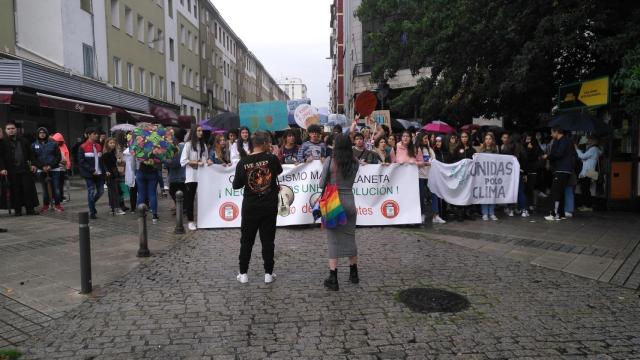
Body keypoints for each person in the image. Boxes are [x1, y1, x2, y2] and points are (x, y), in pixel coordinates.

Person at [232, 131, 283, 284]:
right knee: (268, 240)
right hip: (268, 205)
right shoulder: (272, 159)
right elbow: (278, 172)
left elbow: (236, 185)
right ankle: (268, 273)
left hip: (250, 206)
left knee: (246, 240)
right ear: (264, 143)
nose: (270, 144)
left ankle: (243, 273)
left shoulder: (243, 162)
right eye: (268, 142)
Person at [320, 133, 360, 291]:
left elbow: (322, 182)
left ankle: (333, 277)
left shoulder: (330, 161)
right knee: (350, 237)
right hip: (350, 201)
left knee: (333, 240)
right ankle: (354, 274)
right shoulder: (355, 162)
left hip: (333, 203)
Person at [0, 122, 39, 216]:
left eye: (12, 128)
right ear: (5, 131)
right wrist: (2, 168)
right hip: (11, 171)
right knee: (15, 191)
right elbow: (0, 157)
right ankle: (17, 210)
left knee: (28, 190)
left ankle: (30, 209)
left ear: (16, 129)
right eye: (8, 129)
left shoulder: (24, 141)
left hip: (24, 169)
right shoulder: (2, 143)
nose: (11, 130)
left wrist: (33, 165)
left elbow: (31, 154)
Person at [543, 127, 574, 221]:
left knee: (555, 192)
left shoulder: (563, 141)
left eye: (552, 133)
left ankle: (553, 214)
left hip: (561, 169)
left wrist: (547, 156)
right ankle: (561, 214)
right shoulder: (567, 141)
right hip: (565, 169)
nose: (551, 135)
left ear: (556, 132)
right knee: (561, 192)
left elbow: (558, 154)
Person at [180, 125, 208, 230]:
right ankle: (190, 221)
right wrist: (195, 162)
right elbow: (183, 161)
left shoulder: (203, 145)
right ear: (194, 132)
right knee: (190, 199)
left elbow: (206, 158)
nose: (201, 132)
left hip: (202, 176)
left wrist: (207, 161)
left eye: (201, 131)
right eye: (199, 130)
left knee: (203, 199)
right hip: (191, 176)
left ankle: (203, 220)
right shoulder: (188, 145)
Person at [32, 127, 63, 213]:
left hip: (54, 169)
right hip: (41, 170)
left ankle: (57, 204)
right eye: (40, 133)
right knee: (44, 189)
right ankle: (46, 205)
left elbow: (58, 157)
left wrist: (51, 166)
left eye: (44, 132)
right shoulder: (34, 145)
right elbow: (33, 158)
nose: (42, 134)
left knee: (56, 188)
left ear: (47, 133)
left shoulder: (53, 144)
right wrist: (42, 167)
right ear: (38, 134)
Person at [78, 128, 106, 220]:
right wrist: (91, 170)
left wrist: (104, 171)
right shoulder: (82, 147)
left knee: (101, 191)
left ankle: (91, 204)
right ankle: (92, 212)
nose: (96, 135)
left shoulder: (98, 146)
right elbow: (81, 162)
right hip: (89, 174)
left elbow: (101, 160)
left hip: (99, 173)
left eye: (97, 134)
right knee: (91, 191)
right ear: (89, 135)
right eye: (94, 134)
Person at [415, 133, 436, 223]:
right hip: (420, 176)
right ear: (420, 139)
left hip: (430, 175)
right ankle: (422, 214)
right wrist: (424, 163)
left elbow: (434, 159)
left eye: (427, 138)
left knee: (434, 194)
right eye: (425, 138)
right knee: (421, 195)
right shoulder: (416, 149)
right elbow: (414, 161)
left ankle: (436, 215)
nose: (426, 140)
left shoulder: (430, 149)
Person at [576, 136, 601, 212]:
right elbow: (585, 159)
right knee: (585, 189)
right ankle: (585, 205)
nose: (588, 140)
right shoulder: (593, 149)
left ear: (593, 141)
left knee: (585, 189)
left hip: (588, 171)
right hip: (589, 171)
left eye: (590, 139)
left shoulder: (593, 149)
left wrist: (576, 149)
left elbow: (582, 156)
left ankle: (588, 206)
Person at [102, 137, 126, 215]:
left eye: (113, 143)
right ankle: (116, 208)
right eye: (110, 143)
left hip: (114, 174)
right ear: (107, 144)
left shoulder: (112, 152)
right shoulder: (106, 154)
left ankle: (112, 208)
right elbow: (104, 164)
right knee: (115, 192)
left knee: (113, 192)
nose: (112, 144)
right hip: (111, 175)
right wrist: (106, 171)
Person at [166, 128, 186, 214]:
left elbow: (175, 163)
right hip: (184, 174)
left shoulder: (177, 147)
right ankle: (182, 208)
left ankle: (181, 208)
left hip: (176, 175)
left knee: (173, 191)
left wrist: (166, 162)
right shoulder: (185, 146)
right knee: (182, 192)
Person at [479, 133, 499, 221]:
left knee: (492, 194)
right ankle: (485, 213)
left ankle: (491, 213)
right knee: (484, 194)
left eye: (489, 139)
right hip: (484, 176)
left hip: (493, 175)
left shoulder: (495, 150)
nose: (488, 140)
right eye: (486, 139)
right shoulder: (481, 150)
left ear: (492, 140)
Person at [524, 134, 543, 213]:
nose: (528, 141)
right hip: (527, 170)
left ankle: (532, 205)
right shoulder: (524, 147)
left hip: (534, 170)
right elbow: (524, 157)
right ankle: (527, 205)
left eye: (529, 139)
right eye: (527, 139)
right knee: (527, 189)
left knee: (532, 188)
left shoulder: (536, 147)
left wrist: (530, 150)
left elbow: (539, 155)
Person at [51, 133, 71, 203]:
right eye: (56, 141)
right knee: (55, 184)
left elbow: (67, 156)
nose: (57, 142)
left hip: (62, 168)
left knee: (61, 184)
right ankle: (56, 197)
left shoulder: (64, 146)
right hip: (55, 167)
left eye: (58, 141)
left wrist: (68, 166)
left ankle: (61, 197)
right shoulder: (52, 146)